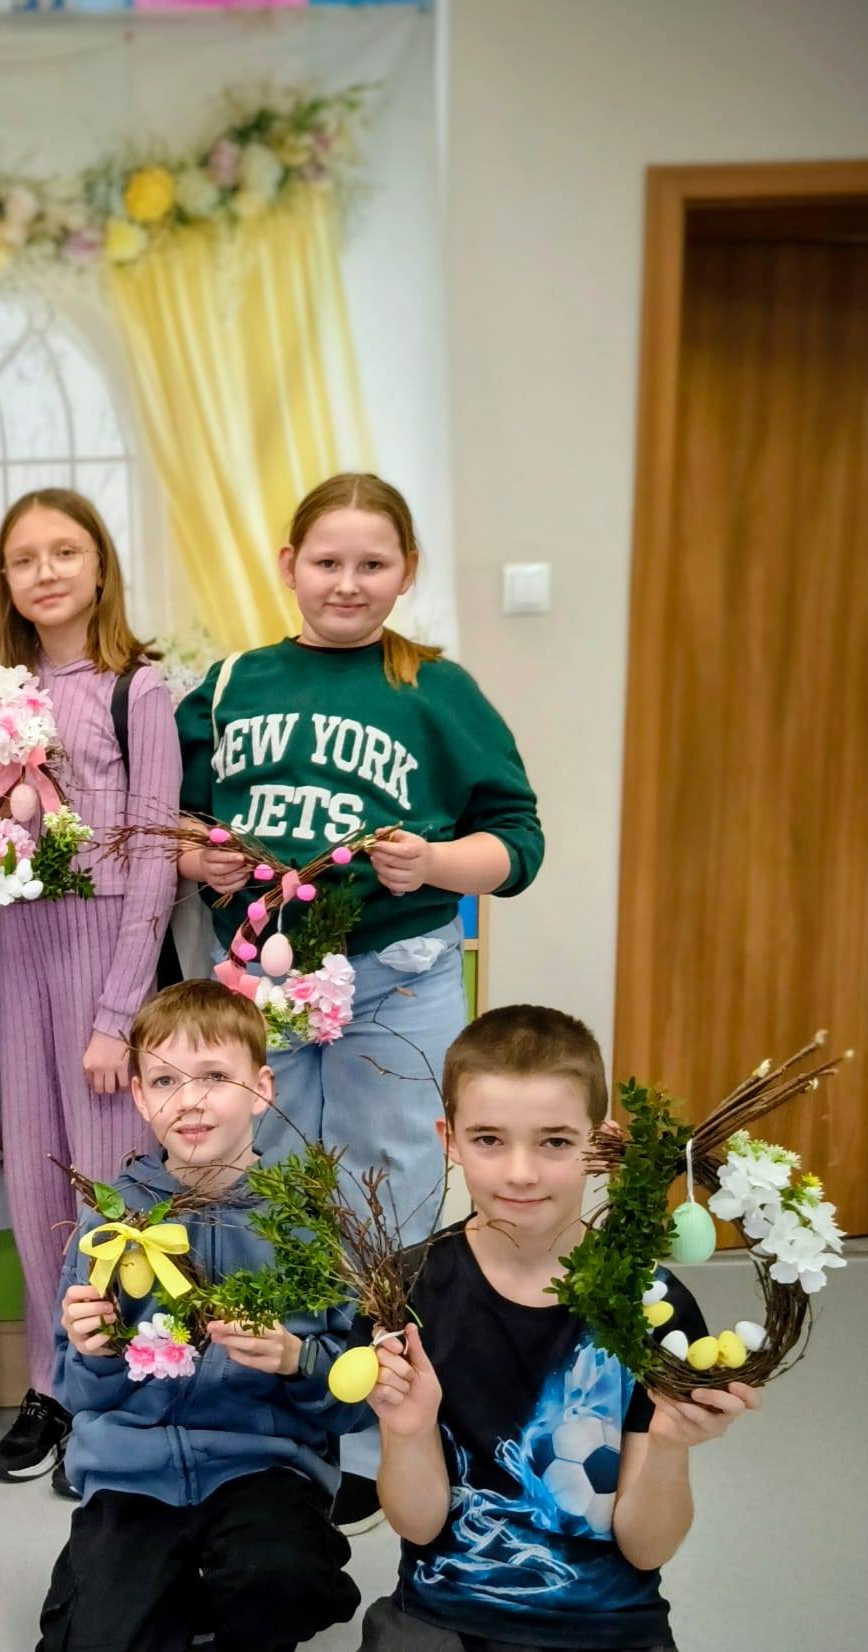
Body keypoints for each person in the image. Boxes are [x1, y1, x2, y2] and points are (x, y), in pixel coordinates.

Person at [265, 1007, 742, 1652]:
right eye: (489, 1139)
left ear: (598, 1144)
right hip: (445, 1633)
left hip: (604, 1649)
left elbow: (644, 1544)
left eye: (554, 1142)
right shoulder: (410, 1288)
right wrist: (407, 1428)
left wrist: (667, 1444)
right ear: (448, 1139)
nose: (520, 1172)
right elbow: (419, 1525)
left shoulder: (652, 1303)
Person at [175, 471, 543, 1532]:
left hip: (396, 977)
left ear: (406, 571)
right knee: (268, 1185)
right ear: (287, 565)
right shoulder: (230, 683)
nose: (347, 582)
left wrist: (435, 861)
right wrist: (199, 855)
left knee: (389, 1193)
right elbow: (184, 817)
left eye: (372, 564)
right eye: (327, 561)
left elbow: (516, 842)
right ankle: (286, 1416)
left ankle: (380, 1425)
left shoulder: (435, 687)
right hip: (264, 983)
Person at [31, 980, 365, 1652]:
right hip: (135, 1474)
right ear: (140, 1099)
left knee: (278, 1572)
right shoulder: (111, 1221)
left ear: (261, 1087)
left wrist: (296, 1359)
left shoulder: (306, 1224)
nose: (190, 1101)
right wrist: (96, 1352)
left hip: (262, 1469)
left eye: (215, 1076)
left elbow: (353, 1398)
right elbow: (77, 1391)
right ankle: (165, 1589)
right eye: (165, 1081)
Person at [0, 489, 182, 1490]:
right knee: (34, 1186)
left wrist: (117, 1017)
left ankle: (117, 1389)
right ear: (6, 582)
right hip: (21, 953)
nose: (46, 572)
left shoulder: (138, 689)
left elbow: (157, 858)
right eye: (25, 559)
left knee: (109, 1188)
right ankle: (49, 1382)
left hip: (105, 959)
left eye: (65, 552)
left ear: (100, 565)